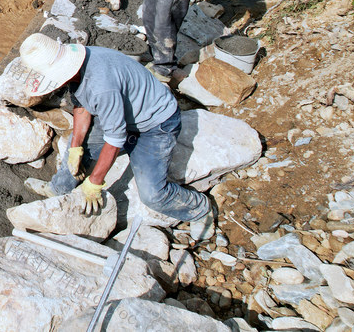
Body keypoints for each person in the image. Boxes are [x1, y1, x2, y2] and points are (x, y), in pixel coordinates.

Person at [23, 33, 215, 238]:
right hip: (124, 114)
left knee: (153, 195)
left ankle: (199, 210)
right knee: (78, 147)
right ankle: (59, 188)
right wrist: (76, 147)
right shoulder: (79, 64)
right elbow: (81, 106)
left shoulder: (101, 86)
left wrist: (95, 182)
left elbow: (115, 139)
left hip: (155, 126)